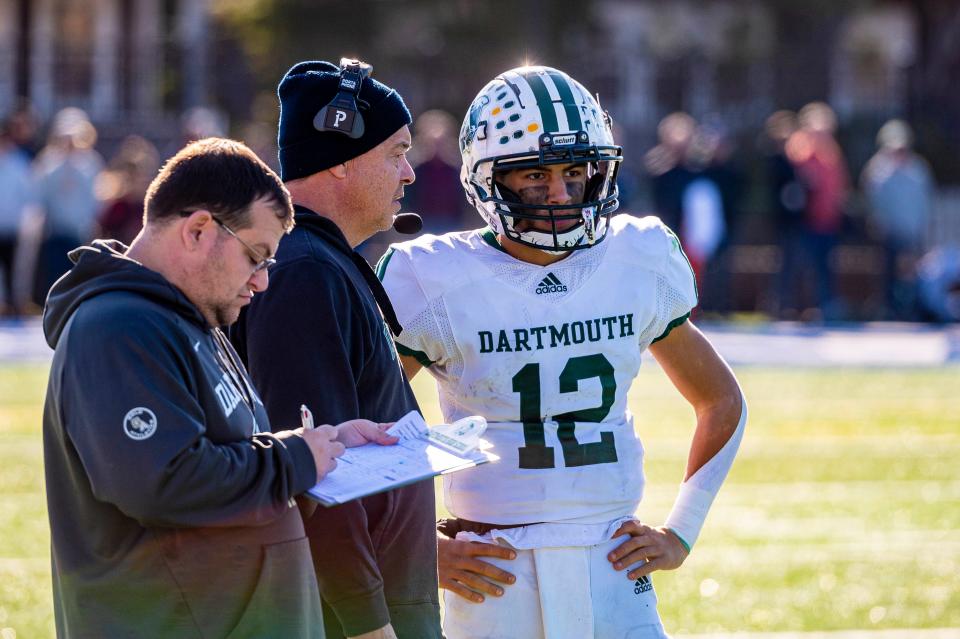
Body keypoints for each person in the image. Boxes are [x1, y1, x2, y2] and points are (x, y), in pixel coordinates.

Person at [378, 66, 747, 638]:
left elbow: (721, 400)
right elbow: (365, 424)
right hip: (493, 567)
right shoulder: (432, 277)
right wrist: (416, 548)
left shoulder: (636, 257)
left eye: (574, 172)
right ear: (487, 179)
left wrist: (681, 533)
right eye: (534, 175)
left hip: (612, 558)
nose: (559, 193)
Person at [42, 137, 398, 637]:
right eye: (257, 256)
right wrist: (295, 460)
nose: (262, 282)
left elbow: (230, 458)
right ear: (199, 230)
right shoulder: (116, 327)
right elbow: (165, 482)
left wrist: (326, 447)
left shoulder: (193, 321)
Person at [230, 60, 442, 639]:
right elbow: (320, 476)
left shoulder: (323, 261)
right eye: (396, 152)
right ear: (342, 160)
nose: (410, 173)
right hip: (345, 620)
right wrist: (368, 624)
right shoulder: (302, 272)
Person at [860, 119, 934, 319]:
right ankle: (889, 310)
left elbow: (924, 202)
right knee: (888, 274)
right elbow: (874, 201)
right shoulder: (877, 170)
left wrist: (924, 229)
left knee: (913, 275)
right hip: (890, 233)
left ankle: (911, 311)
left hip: (912, 232)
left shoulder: (918, 169)